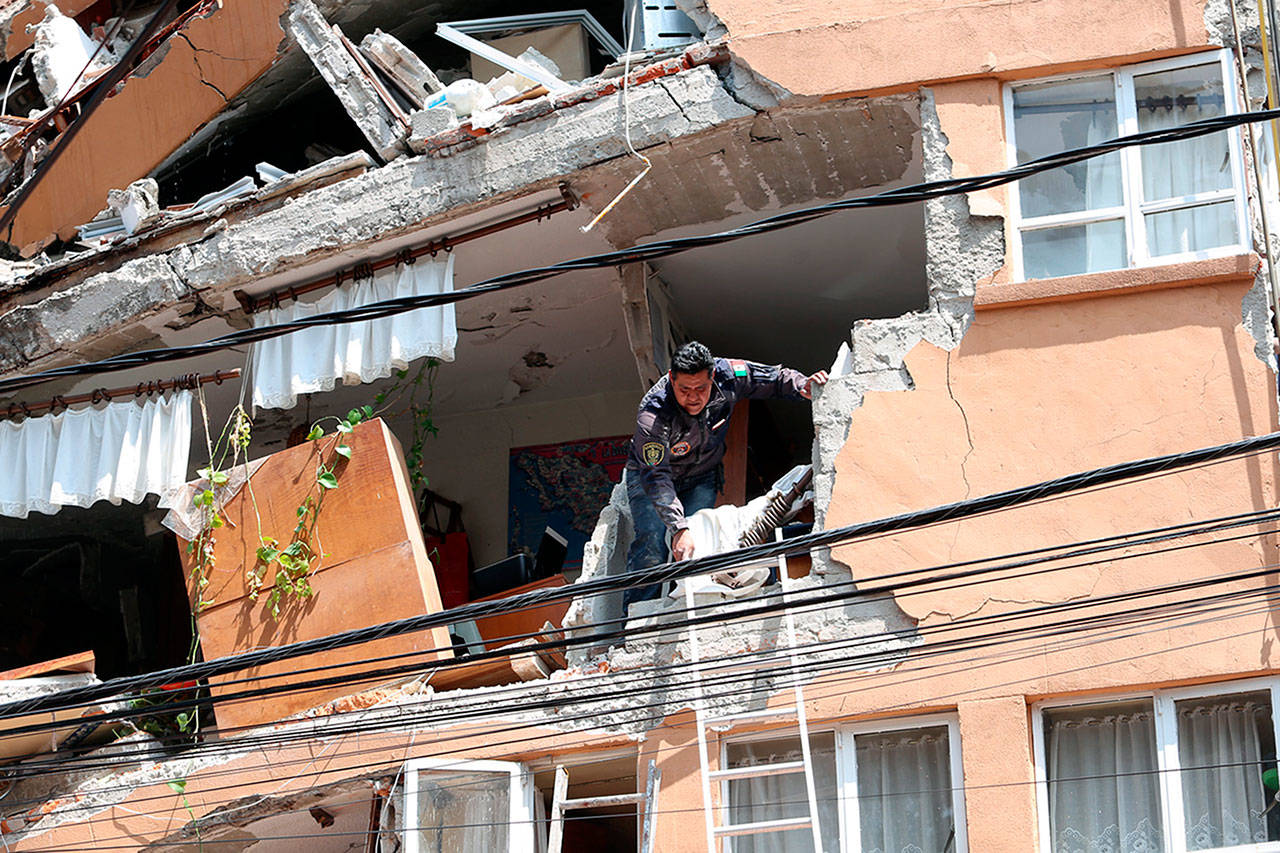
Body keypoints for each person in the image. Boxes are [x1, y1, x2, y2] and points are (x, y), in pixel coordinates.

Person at [622, 341, 828, 610]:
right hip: (652, 479)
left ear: (713, 377)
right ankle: (635, 622)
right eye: (684, 389)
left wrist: (803, 385)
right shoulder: (654, 413)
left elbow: (773, 378)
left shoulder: (730, 374)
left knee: (695, 547)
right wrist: (678, 526)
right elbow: (657, 478)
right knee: (651, 545)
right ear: (672, 379)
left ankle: (677, 611)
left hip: (702, 475)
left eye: (701, 388)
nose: (693, 397)